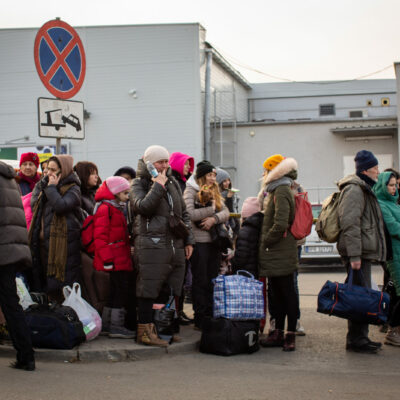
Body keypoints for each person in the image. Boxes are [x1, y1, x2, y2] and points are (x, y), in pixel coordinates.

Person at [131, 145, 195, 347]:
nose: (165, 166)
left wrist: (188, 240)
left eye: (166, 161)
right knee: (148, 288)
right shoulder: (138, 183)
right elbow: (142, 207)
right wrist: (157, 186)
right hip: (151, 244)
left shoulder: (173, 181)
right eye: (160, 162)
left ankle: (162, 329)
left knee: (167, 288)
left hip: (173, 244)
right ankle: (144, 331)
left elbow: (183, 213)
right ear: (149, 163)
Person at [337, 150, 386, 354]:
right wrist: (355, 255)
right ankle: (357, 339)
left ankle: (359, 337)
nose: (378, 171)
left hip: (362, 252)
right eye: (375, 168)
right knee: (358, 296)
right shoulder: (355, 189)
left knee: (360, 295)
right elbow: (350, 223)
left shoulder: (363, 188)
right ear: (366, 170)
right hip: (357, 253)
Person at [258, 154, 299, 351]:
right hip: (277, 250)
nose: (263, 174)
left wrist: (266, 239)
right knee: (278, 295)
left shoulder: (281, 190)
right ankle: (278, 333)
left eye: (266, 170)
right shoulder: (279, 188)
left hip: (279, 249)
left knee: (286, 294)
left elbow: (281, 222)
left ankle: (289, 335)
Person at [29, 155, 82, 301]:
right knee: (45, 288)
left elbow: (61, 206)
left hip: (64, 248)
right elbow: (34, 205)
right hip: (43, 246)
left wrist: (51, 188)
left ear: (63, 171)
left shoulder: (73, 189)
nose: (48, 173)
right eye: (46, 169)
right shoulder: (43, 186)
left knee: (62, 289)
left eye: (53, 170)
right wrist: (45, 185)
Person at [184, 160, 229, 330]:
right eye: (210, 175)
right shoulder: (190, 190)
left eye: (214, 175)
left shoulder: (214, 190)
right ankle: (200, 317)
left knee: (212, 280)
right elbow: (188, 213)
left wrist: (214, 219)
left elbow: (224, 211)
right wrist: (210, 211)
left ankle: (210, 314)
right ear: (202, 177)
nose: (213, 178)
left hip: (214, 241)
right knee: (200, 280)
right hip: (199, 242)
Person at [0, 161, 35, 371]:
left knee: (10, 304)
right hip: (12, 250)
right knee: (11, 305)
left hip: (3, 247)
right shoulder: (9, 177)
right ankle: (26, 356)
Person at [92, 177, 135, 339]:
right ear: (115, 193)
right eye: (125, 193)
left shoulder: (114, 207)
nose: (128, 196)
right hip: (114, 258)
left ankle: (108, 324)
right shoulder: (106, 209)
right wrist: (107, 259)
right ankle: (116, 326)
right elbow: (100, 236)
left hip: (118, 256)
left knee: (115, 290)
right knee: (119, 291)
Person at [373, 171, 400, 346]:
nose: (394, 188)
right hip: (394, 253)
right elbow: (393, 228)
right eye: (390, 185)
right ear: (383, 186)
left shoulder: (393, 203)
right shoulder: (382, 204)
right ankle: (393, 330)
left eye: (395, 185)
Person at [168, 152, 195, 325]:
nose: (188, 167)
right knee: (176, 278)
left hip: (184, 235)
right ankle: (174, 313)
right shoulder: (175, 183)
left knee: (182, 276)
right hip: (176, 237)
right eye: (185, 164)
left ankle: (179, 311)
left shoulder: (185, 183)